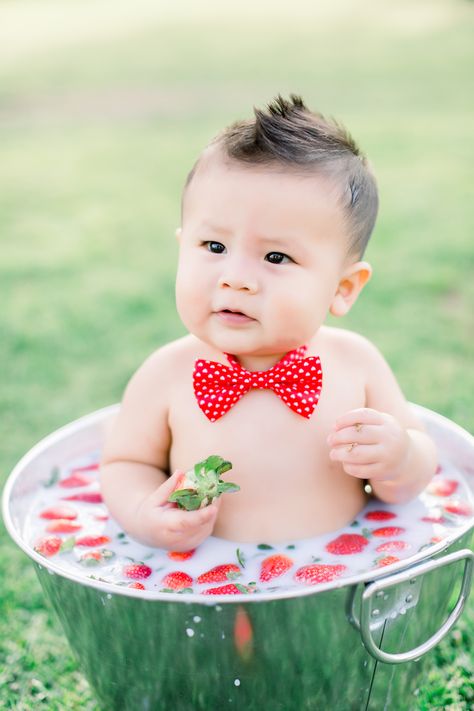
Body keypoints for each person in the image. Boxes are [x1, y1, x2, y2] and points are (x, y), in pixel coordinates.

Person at [100, 95, 437, 550]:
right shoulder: (166, 373)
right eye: (214, 247)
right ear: (183, 247)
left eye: (276, 257)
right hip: (208, 573)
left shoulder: (356, 365)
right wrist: (144, 512)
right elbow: (125, 463)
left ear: (343, 288)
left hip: (338, 568)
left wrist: (398, 458)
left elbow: (409, 479)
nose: (236, 278)